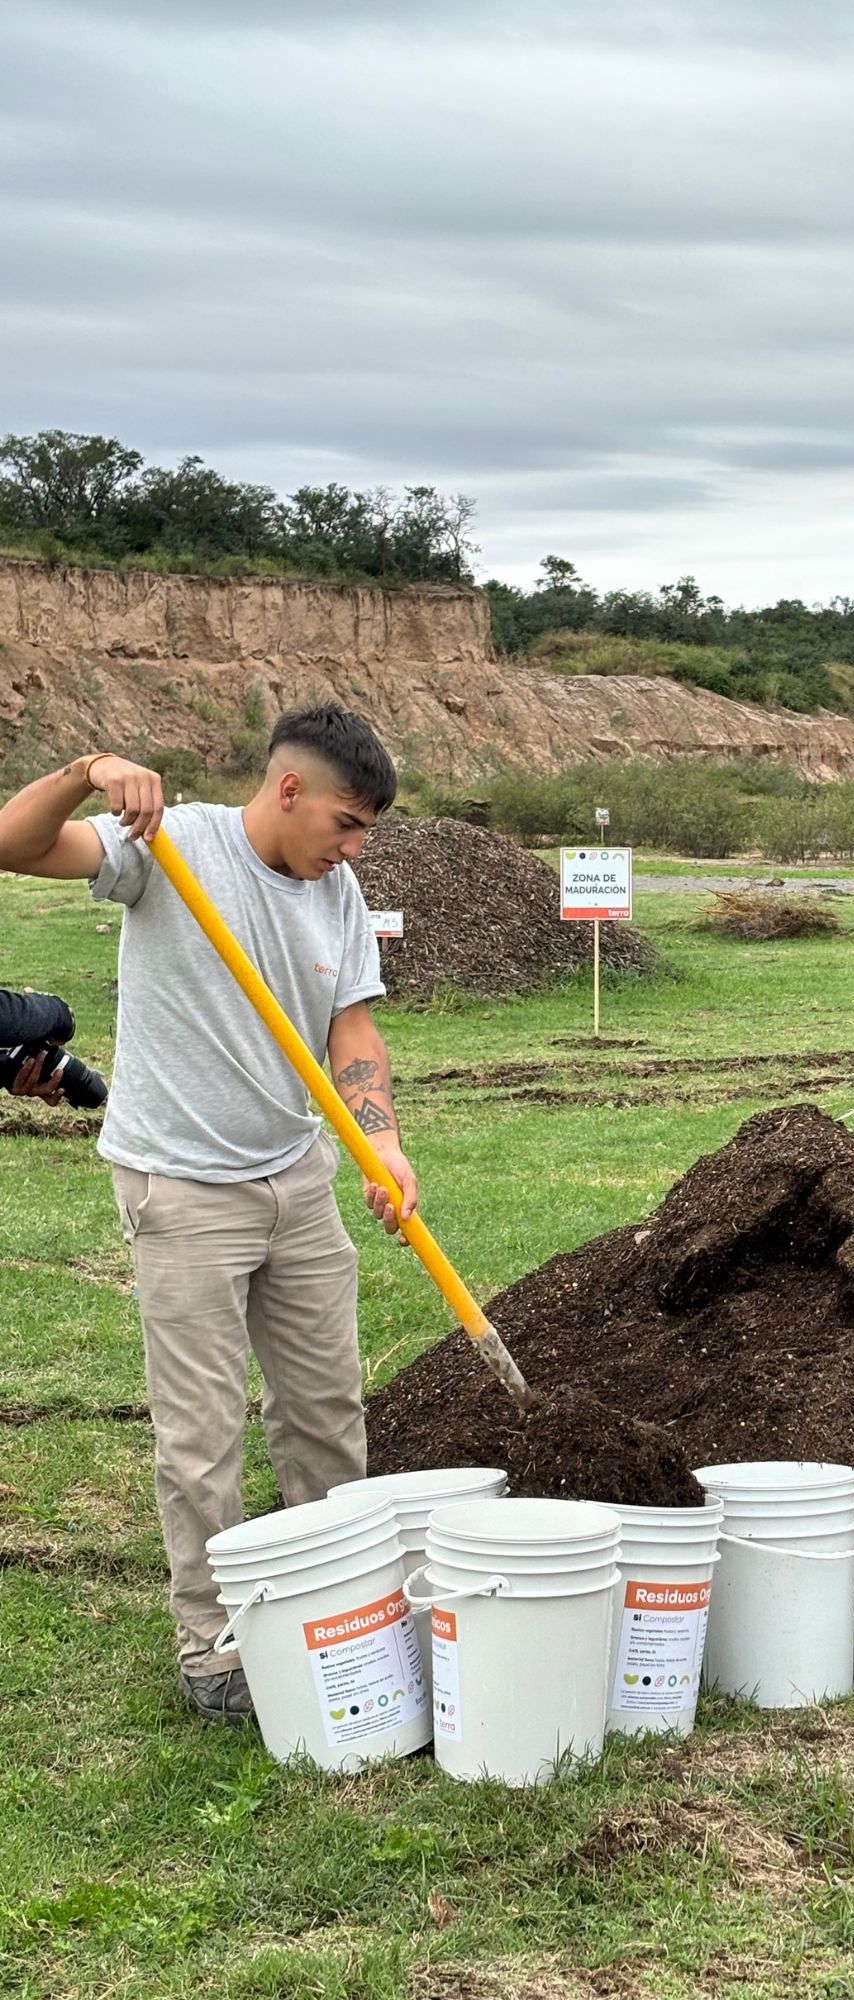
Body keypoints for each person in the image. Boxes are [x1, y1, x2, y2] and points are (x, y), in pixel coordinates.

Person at [0, 707, 418, 1720]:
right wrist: (90, 768)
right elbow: (12, 842)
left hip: (297, 1177)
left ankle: (340, 1612)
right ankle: (216, 1647)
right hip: (183, 1185)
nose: (356, 846)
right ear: (288, 790)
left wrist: (382, 1135)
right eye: (348, 821)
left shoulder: (341, 889)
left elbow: (351, 1028)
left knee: (325, 1411)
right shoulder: (171, 843)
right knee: (201, 1434)